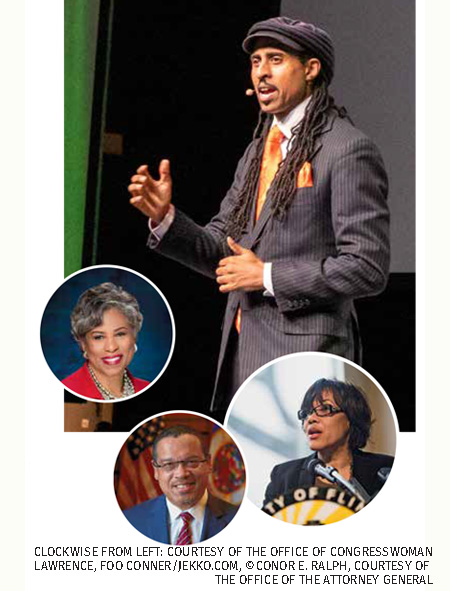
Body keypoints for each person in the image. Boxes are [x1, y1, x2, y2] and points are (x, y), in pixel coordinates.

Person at [128, 17, 390, 413]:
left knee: (298, 477)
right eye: (255, 61)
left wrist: (265, 275)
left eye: (276, 59)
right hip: (242, 356)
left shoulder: (346, 149)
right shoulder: (257, 152)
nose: (262, 72)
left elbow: (366, 267)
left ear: (311, 69)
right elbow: (225, 252)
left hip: (306, 365)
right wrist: (166, 217)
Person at [263, 378, 394, 507]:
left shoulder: (385, 469)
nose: (311, 419)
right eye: (305, 414)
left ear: (351, 417)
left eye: (324, 409)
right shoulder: (283, 476)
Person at [123, 426, 238, 544]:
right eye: (169, 464)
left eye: (191, 462)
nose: (181, 474)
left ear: (208, 463)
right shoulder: (130, 521)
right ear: (156, 471)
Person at [62, 282, 150, 400]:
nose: (111, 347)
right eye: (99, 337)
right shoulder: (67, 389)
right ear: (83, 344)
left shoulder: (146, 387)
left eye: (120, 334)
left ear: (134, 337)